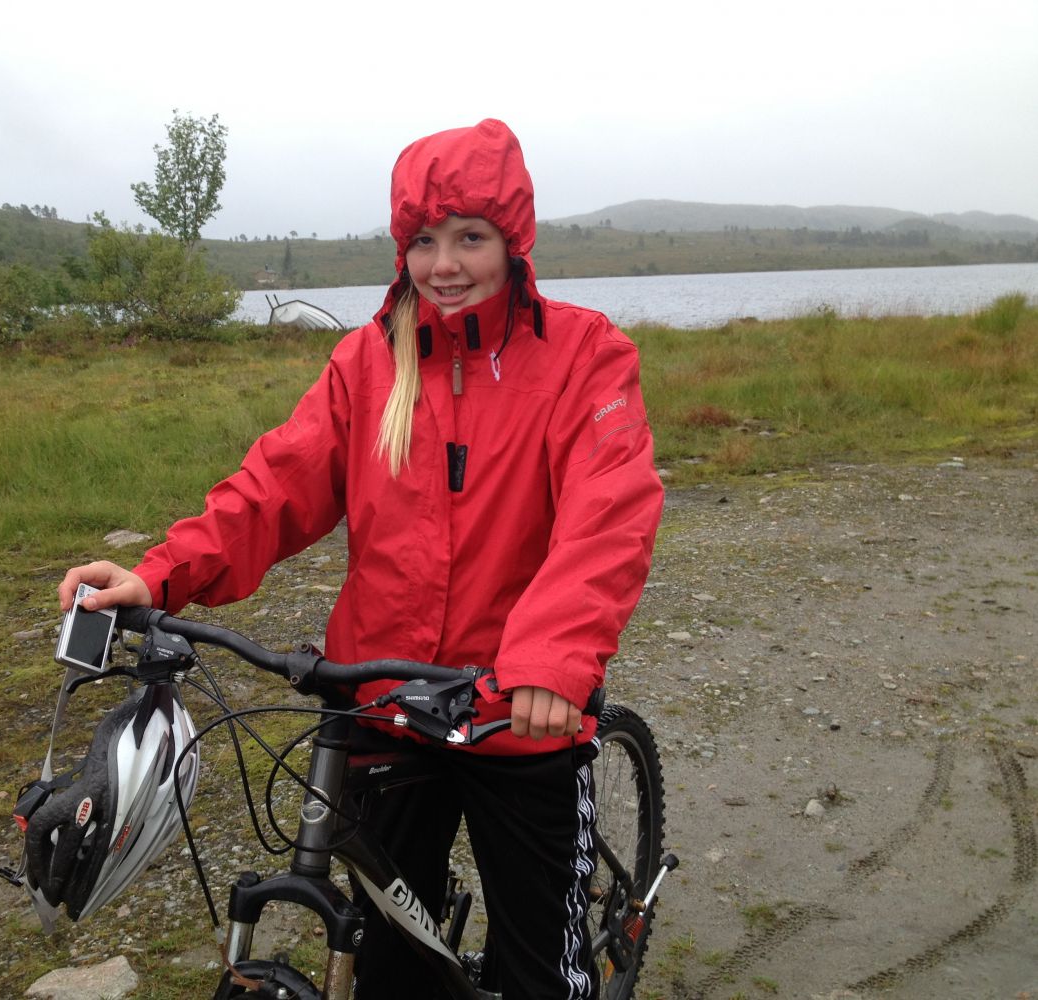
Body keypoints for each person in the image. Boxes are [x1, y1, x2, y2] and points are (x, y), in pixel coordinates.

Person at [61, 118, 663, 999]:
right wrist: (158, 575)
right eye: (422, 241)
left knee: (538, 970)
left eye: (469, 238)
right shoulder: (367, 363)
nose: (443, 265)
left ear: (512, 240)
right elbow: (275, 487)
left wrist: (551, 658)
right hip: (385, 704)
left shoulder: (583, 354)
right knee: (388, 963)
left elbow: (608, 511)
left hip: (518, 709)